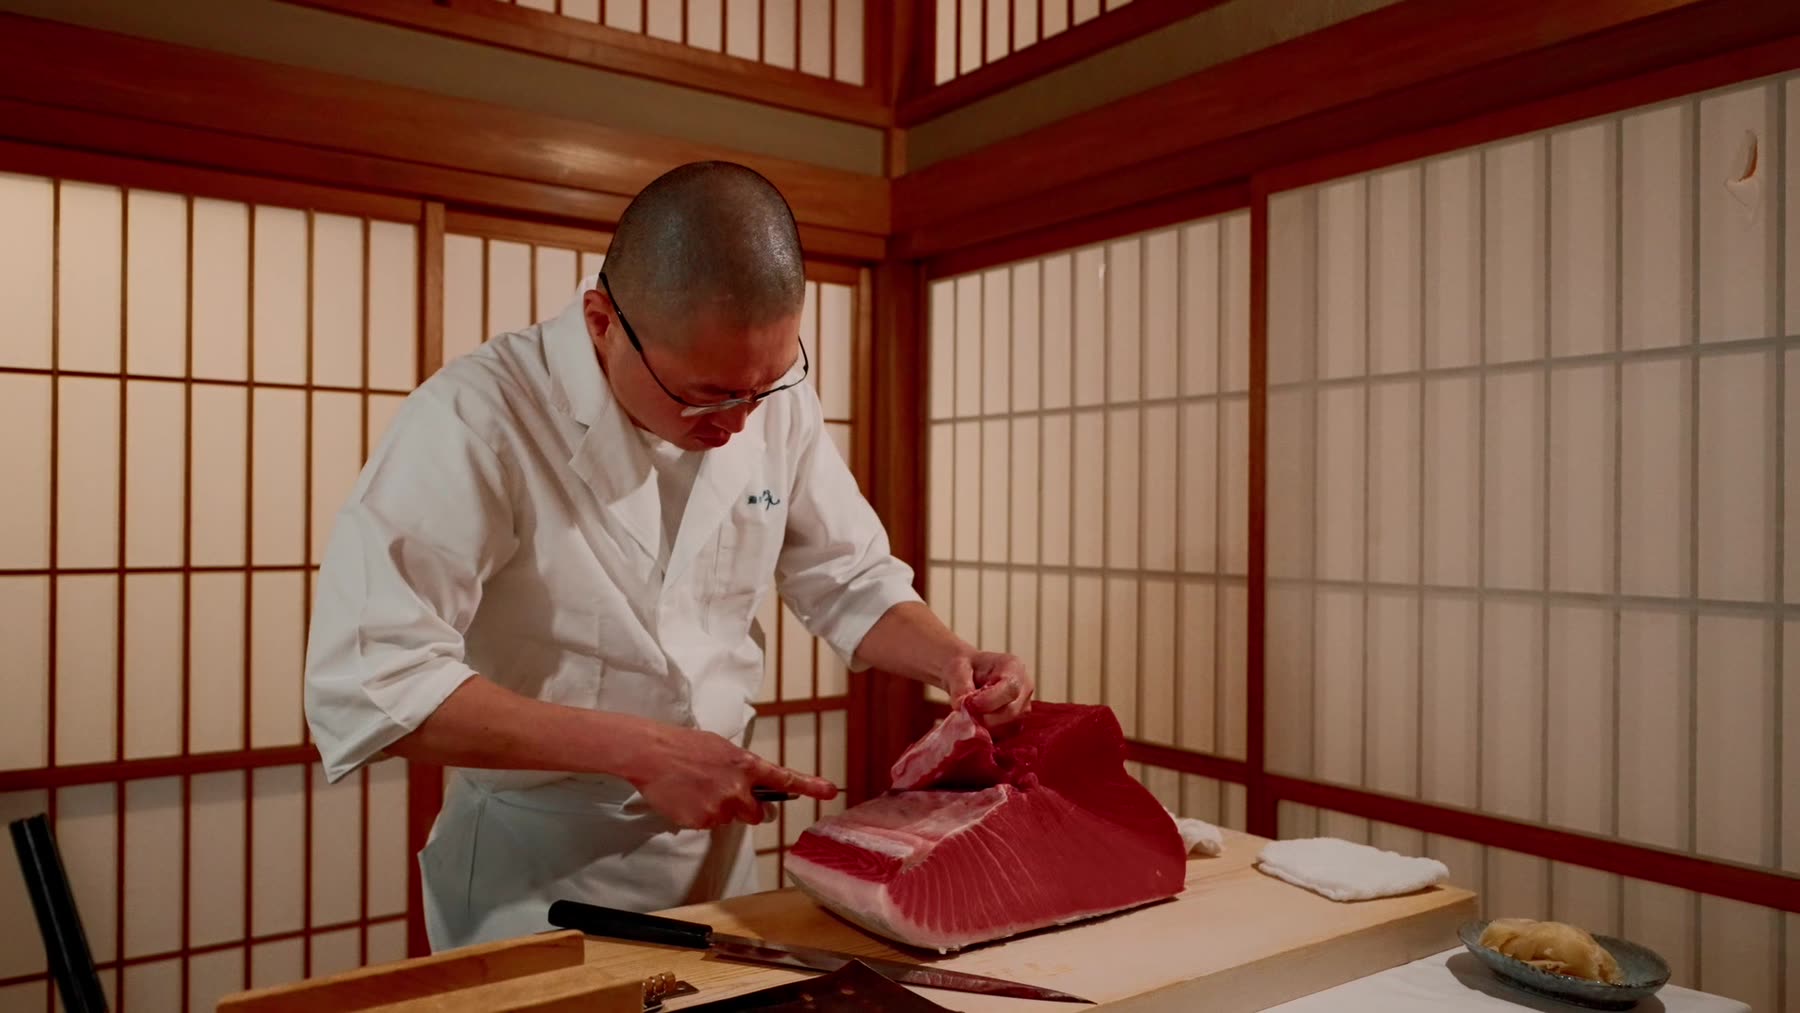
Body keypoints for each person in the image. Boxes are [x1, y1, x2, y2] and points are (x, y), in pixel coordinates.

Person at [302, 161, 1033, 952]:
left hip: (718, 861)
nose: (741, 423)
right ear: (600, 322)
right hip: (537, 875)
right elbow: (374, 677)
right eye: (707, 394)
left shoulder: (761, 400)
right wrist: (644, 753)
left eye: (769, 385)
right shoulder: (479, 417)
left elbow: (846, 573)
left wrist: (951, 657)